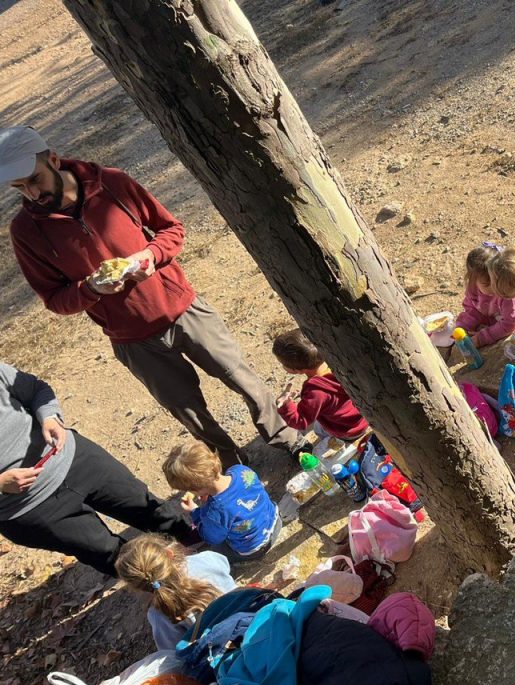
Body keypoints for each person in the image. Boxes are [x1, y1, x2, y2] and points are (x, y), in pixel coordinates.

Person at [0, 126, 300, 467]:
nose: (31, 193)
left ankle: (288, 439)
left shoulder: (112, 183)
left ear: (53, 160)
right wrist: (90, 289)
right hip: (133, 341)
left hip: (184, 310)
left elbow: (172, 229)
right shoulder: (25, 231)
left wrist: (151, 255)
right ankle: (231, 467)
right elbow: (54, 298)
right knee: (188, 411)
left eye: (35, 179)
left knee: (243, 379)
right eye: (18, 187)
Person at [0, 362, 194, 575]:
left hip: (75, 459)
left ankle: (200, 544)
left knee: (147, 507)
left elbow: (36, 389)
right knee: (113, 556)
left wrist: (49, 417)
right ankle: (168, 587)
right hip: (26, 507)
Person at [163, 441, 280, 562]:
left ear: (196, 489)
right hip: (275, 521)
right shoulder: (240, 470)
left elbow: (211, 538)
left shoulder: (213, 511)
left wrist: (195, 511)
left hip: (255, 548)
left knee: (215, 549)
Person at [115, 534, 236, 650]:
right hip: (242, 613)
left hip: (220, 647)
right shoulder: (205, 559)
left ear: (138, 587)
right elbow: (224, 564)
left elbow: (171, 648)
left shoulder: (158, 613)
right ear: (169, 553)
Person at [272, 328, 370, 440]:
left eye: (283, 364)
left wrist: (285, 405)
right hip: (362, 417)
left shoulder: (316, 392)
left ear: (297, 370)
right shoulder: (339, 363)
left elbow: (300, 421)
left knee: (320, 431)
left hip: (347, 430)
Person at [454, 243, 515, 347]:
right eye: (487, 284)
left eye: (496, 281)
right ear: (473, 279)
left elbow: (509, 324)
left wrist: (482, 338)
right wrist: (463, 327)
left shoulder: (506, 293)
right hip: (498, 317)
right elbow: (473, 309)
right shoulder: (474, 289)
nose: (495, 287)